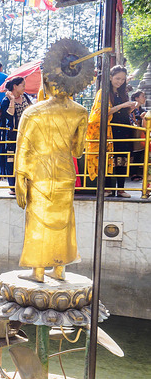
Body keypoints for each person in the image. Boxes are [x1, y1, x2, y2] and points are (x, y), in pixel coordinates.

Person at [15, 71, 87, 282]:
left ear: (46, 84)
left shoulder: (33, 112)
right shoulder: (80, 111)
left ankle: (37, 271)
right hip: (65, 172)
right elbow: (78, 151)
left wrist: (20, 179)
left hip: (40, 173)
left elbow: (22, 148)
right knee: (63, 221)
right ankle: (59, 269)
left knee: (37, 220)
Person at [86, 66, 138, 197]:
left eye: (122, 79)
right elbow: (100, 112)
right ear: (110, 77)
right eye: (117, 78)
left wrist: (130, 108)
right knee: (108, 158)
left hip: (125, 129)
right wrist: (122, 105)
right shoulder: (103, 93)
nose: (119, 81)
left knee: (122, 159)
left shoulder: (123, 93)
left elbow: (122, 112)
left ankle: (121, 189)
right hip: (111, 130)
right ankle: (107, 189)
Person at [0, 76, 32, 194]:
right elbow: (8, 116)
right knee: (11, 159)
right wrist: (12, 100)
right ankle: (13, 186)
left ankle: (24, 184)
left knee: (26, 159)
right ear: (15, 86)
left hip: (26, 134)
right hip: (13, 134)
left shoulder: (25, 97)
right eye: (22, 85)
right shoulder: (6, 100)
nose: (24, 87)